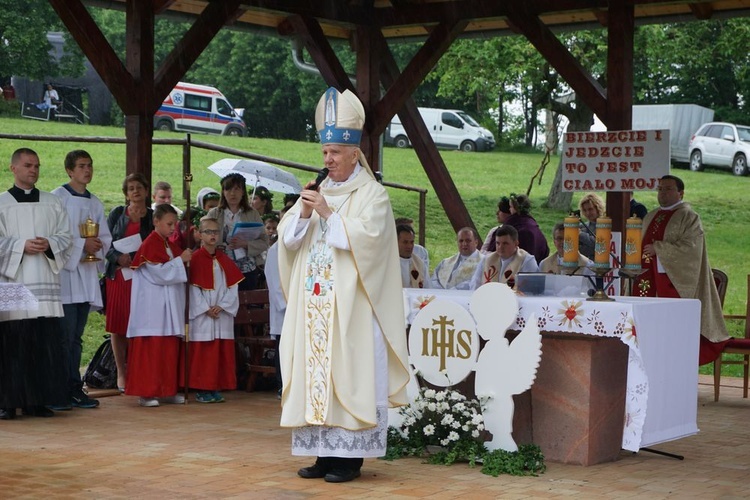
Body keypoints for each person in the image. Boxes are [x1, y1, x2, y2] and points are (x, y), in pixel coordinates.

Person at [276, 87, 410, 483]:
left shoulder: (373, 195)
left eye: (335, 151)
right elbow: (287, 242)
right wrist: (301, 214)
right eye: (324, 152)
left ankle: (349, 460)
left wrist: (328, 214)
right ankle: (322, 454)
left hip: (352, 307)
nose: (328, 159)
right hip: (314, 306)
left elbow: (371, 243)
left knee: (349, 377)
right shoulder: (317, 192)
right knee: (315, 378)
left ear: (355, 153)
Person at [0, 148, 73, 419]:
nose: (34, 170)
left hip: (44, 279)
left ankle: (38, 401)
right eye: (28, 165)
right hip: (13, 283)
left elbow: (66, 236)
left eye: (37, 166)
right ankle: (8, 402)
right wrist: (20, 246)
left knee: (43, 343)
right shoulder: (2, 203)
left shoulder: (52, 202)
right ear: (14, 168)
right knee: (14, 344)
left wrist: (50, 243)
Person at [635, 175, 729, 365]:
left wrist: (659, 249)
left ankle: (675, 365)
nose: (663, 193)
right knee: (646, 327)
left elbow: (691, 249)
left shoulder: (689, 217)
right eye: (660, 188)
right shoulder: (651, 215)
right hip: (647, 279)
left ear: (681, 193)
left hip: (674, 284)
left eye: (668, 189)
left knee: (672, 331)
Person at [50, 150, 113, 410]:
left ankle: (75, 388)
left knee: (76, 337)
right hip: (64, 278)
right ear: (69, 171)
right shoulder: (57, 198)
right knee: (63, 338)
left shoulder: (95, 203)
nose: (87, 170)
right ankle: (59, 389)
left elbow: (105, 239)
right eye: (81, 166)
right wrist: (81, 245)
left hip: (85, 276)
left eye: (90, 165)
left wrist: (95, 246)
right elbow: (52, 237)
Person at [126, 204, 192, 407]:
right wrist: (181, 260)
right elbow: (160, 273)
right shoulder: (150, 245)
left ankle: (167, 390)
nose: (173, 228)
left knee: (168, 350)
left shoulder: (166, 244)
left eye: (175, 224)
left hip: (167, 308)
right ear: (156, 221)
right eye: (169, 224)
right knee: (152, 351)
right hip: (152, 309)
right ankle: (147, 392)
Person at [104, 173, 155, 392]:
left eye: (139, 187)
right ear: (126, 193)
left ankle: (137, 371)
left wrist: (140, 259)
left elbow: (158, 244)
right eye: (131, 188)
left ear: (146, 191)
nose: (135, 191)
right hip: (118, 277)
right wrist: (118, 258)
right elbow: (104, 242)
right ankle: (121, 373)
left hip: (142, 277)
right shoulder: (117, 213)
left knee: (140, 324)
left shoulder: (153, 216)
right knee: (118, 325)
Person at [184, 216, 243, 403]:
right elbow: (192, 287)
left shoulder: (224, 259)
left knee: (220, 352)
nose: (213, 235)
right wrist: (204, 308)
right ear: (199, 234)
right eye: (208, 231)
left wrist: (222, 306)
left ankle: (216, 386)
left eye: (216, 232)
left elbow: (233, 285)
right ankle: (202, 388)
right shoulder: (194, 259)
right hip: (204, 314)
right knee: (204, 352)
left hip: (221, 312)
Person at [207, 174, 268, 290]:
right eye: (228, 189)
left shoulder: (252, 213)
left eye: (236, 189)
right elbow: (205, 238)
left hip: (247, 269)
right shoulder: (214, 213)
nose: (232, 193)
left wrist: (246, 244)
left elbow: (264, 241)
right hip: (220, 268)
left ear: (243, 192)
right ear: (223, 192)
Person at [264, 203, 293, 399]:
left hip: (300, 309)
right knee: (284, 347)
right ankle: (283, 385)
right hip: (285, 310)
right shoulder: (276, 250)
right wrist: (288, 305)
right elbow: (274, 281)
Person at [471, 225, 538, 290]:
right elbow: (475, 283)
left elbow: (531, 288)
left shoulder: (526, 261)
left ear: (516, 243)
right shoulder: (487, 259)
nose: (500, 247)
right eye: (498, 243)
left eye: (505, 243)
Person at [504, 194, 549, 263]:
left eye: (511, 207)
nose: (509, 209)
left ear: (516, 208)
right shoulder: (533, 225)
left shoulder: (514, 227)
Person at [397, 224, 431, 289]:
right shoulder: (387, 263)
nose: (409, 246)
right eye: (405, 242)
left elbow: (428, 288)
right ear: (396, 241)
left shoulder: (419, 264)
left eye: (411, 242)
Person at [577, 193, 605, 260]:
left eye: (590, 209)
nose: (587, 213)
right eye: (585, 210)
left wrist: (580, 235)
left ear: (598, 207)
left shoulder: (605, 225)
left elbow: (599, 245)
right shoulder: (581, 226)